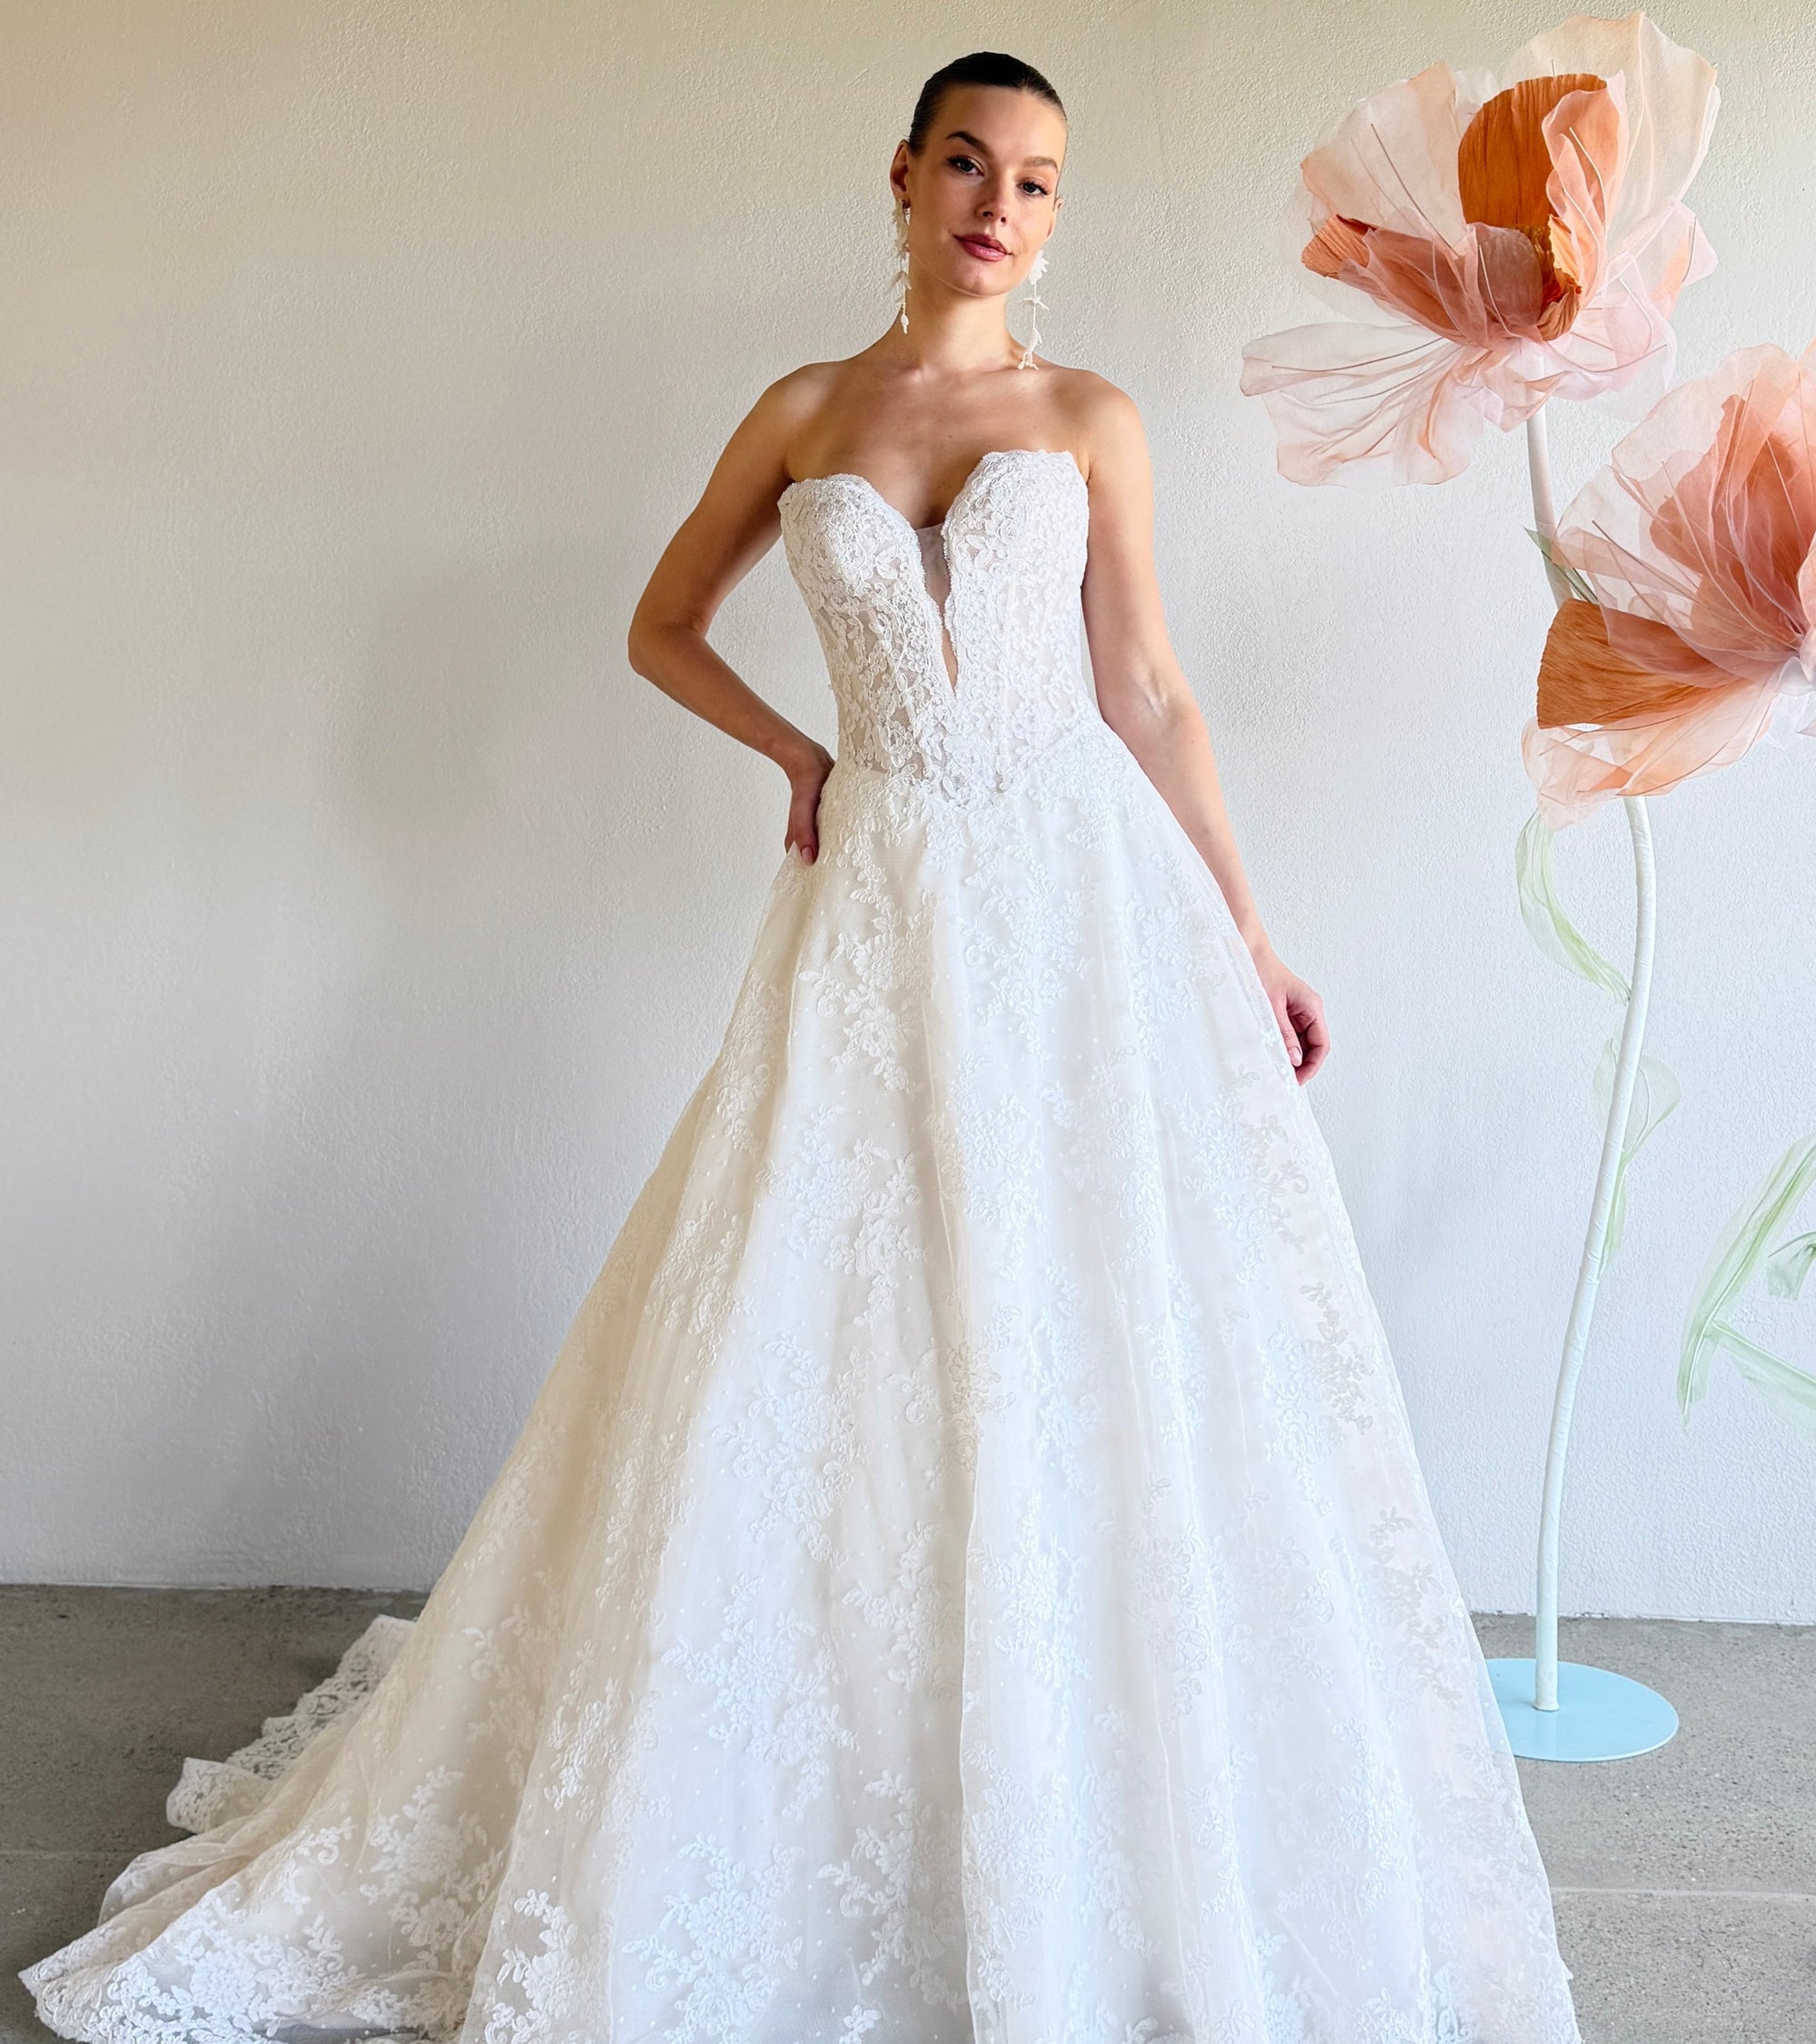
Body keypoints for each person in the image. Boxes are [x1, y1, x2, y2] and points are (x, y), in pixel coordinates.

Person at [23, 48, 1583, 2044]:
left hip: (1072, 894)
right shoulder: (807, 409)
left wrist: (1246, 932)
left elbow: (1151, 686)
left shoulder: (1087, 416)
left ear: (1052, 212)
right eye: (967, 161)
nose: (999, 202)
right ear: (906, 176)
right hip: (882, 885)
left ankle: (1081, 1757)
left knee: (1079, 1300)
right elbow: (661, 621)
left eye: (1036, 178)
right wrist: (798, 754)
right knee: (819, 1297)